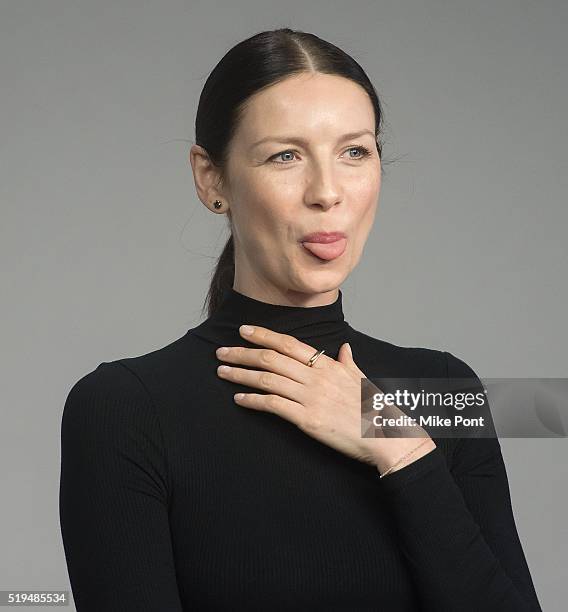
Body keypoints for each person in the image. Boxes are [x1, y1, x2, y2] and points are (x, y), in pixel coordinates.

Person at [59, 28, 542, 611]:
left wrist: (400, 448)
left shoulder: (442, 390)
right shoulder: (125, 409)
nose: (327, 192)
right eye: (285, 156)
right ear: (212, 179)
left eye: (354, 152)